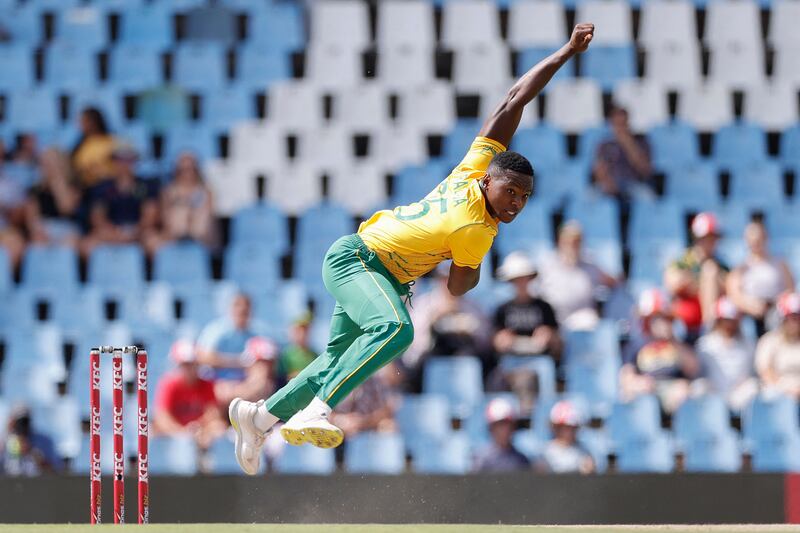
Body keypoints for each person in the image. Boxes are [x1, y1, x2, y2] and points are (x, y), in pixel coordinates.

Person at [227, 24, 596, 476]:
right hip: (357, 259)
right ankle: (317, 409)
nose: (516, 203)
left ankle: (258, 417)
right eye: (511, 191)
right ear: (489, 180)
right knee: (397, 330)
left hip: (382, 273)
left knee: (335, 360)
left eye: (524, 197)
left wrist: (564, 52)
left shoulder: (474, 165)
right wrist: (476, 256)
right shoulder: (478, 230)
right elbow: (460, 287)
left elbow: (513, 99)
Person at [488, 251, 561, 415]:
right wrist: (501, 341)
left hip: (539, 362)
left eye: (523, 278)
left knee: (527, 378)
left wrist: (549, 336)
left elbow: (558, 344)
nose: (520, 283)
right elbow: (495, 342)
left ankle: (528, 417)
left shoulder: (544, 307)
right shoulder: (502, 309)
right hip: (510, 362)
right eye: (516, 280)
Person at [620, 288, 699, 413]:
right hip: (647, 391)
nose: (662, 323)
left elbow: (693, 369)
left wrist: (672, 340)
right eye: (657, 318)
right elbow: (626, 378)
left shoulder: (678, 343)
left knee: (684, 391)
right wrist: (639, 383)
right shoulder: (636, 345)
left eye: (665, 318)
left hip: (672, 389)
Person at [403, 264, 491, 372]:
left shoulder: (472, 306)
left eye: (456, 279)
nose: (450, 283)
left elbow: (485, 340)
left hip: (465, 360)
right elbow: (414, 343)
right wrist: (435, 318)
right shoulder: (424, 304)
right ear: (439, 280)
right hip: (428, 362)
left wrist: (469, 329)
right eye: (446, 279)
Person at [80, 144, 161, 258]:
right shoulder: (103, 187)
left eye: (129, 160)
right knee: (86, 246)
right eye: (120, 160)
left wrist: (133, 233)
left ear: (135, 162)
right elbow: (97, 217)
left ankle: (149, 274)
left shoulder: (146, 186)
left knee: (155, 243)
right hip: (111, 230)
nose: (124, 164)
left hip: (139, 231)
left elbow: (150, 216)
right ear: (113, 162)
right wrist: (115, 234)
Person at [537, 221, 616, 330]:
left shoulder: (591, 265)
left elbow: (613, 282)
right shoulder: (547, 265)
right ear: (560, 242)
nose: (572, 246)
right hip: (553, 322)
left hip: (583, 322)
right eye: (568, 241)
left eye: (576, 242)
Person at [664, 212, 728, 341]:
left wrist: (701, 281)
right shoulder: (683, 261)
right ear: (696, 239)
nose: (710, 242)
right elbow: (672, 282)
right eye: (706, 238)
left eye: (713, 238)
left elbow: (729, 287)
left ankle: (710, 327)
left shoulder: (721, 265)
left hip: (711, 328)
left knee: (710, 271)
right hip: (683, 326)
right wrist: (702, 282)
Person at [153, 340, 227, 449]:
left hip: (200, 433)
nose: (189, 369)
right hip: (175, 435)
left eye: (192, 364)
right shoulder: (168, 384)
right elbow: (162, 418)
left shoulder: (207, 384)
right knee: (153, 431)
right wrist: (183, 433)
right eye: (185, 365)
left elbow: (214, 415)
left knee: (219, 428)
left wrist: (198, 428)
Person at [726, 221, 794, 337]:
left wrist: (776, 304)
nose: (755, 242)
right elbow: (734, 294)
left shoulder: (780, 263)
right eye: (752, 239)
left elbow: (790, 290)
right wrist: (750, 306)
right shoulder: (741, 267)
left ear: (765, 238)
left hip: (775, 310)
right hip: (750, 313)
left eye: (759, 238)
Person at [695, 297, 758, 411]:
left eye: (732, 320)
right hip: (714, 394)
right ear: (718, 321)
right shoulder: (705, 344)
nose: (728, 324)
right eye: (725, 320)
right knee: (699, 387)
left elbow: (751, 375)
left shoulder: (749, 344)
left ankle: (745, 424)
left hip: (739, 395)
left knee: (753, 386)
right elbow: (700, 374)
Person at [196, 292, 267, 381]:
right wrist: (238, 362)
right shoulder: (216, 329)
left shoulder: (255, 333)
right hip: (216, 381)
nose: (241, 310)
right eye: (238, 306)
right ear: (231, 308)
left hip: (244, 382)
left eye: (245, 311)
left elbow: (262, 362)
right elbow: (204, 357)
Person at [592, 105, 654, 203]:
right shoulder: (605, 144)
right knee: (590, 197)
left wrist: (628, 143)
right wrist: (607, 182)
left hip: (632, 183)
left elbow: (645, 170)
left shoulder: (640, 141)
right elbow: (599, 169)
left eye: (623, 123)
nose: (620, 127)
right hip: (611, 182)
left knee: (647, 198)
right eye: (617, 124)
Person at [24, 148, 82, 247]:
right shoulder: (35, 189)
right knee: (37, 242)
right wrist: (39, 230)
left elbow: (66, 209)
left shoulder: (73, 186)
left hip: (67, 227)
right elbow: (31, 217)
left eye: (51, 163)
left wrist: (57, 183)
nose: (48, 167)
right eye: (45, 163)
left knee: (69, 242)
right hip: (43, 227)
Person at [329, 361, 401, 438]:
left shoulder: (376, 379)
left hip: (369, 430)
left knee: (389, 427)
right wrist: (341, 420)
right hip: (339, 431)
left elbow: (387, 410)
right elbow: (322, 413)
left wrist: (363, 422)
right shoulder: (335, 379)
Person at [160, 152, 216, 248]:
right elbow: (165, 219)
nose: (187, 173)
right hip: (174, 236)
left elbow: (209, 218)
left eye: (190, 169)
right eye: (183, 170)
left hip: (200, 235)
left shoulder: (206, 192)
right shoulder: (168, 192)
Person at [214, 336, 280, 408]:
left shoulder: (282, 385)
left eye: (269, 363)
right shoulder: (231, 385)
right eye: (259, 363)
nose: (264, 368)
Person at [755, 292, 800, 399]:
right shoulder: (769, 341)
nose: (794, 322)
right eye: (789, 317)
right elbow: (765, 372)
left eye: (797, 317)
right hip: (779, 394)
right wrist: (785, 389)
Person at [472, 397, 530, 473]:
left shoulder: (522, 460)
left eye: (507, 424)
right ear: (491, 428)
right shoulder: (481, 459)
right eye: (499, 425)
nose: (505, 429)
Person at [537, 400, 594, 474]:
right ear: (555, 427)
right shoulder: (544, 452)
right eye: (563, 427)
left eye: (572, 427)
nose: (568, 431)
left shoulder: (584, 452)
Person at [2, 408, 62, 476]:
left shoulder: (44, 441)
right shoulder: (6, 442)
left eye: (25, 422)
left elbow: (57, 470)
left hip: (36, 484)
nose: (22, 426)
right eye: (18, 422)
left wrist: (32, 453)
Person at [71, 107, 118, 187]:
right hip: (82, 185)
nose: (81, 125)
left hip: (105, 184)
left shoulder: (111, 141)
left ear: (94, 121)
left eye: (84, 121)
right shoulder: (81, 144)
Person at [278, 313, 318, 380]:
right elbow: (281, 378)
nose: (302, 334)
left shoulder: (315, 355)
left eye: (305, 330)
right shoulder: (286, 355)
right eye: (299, 330)